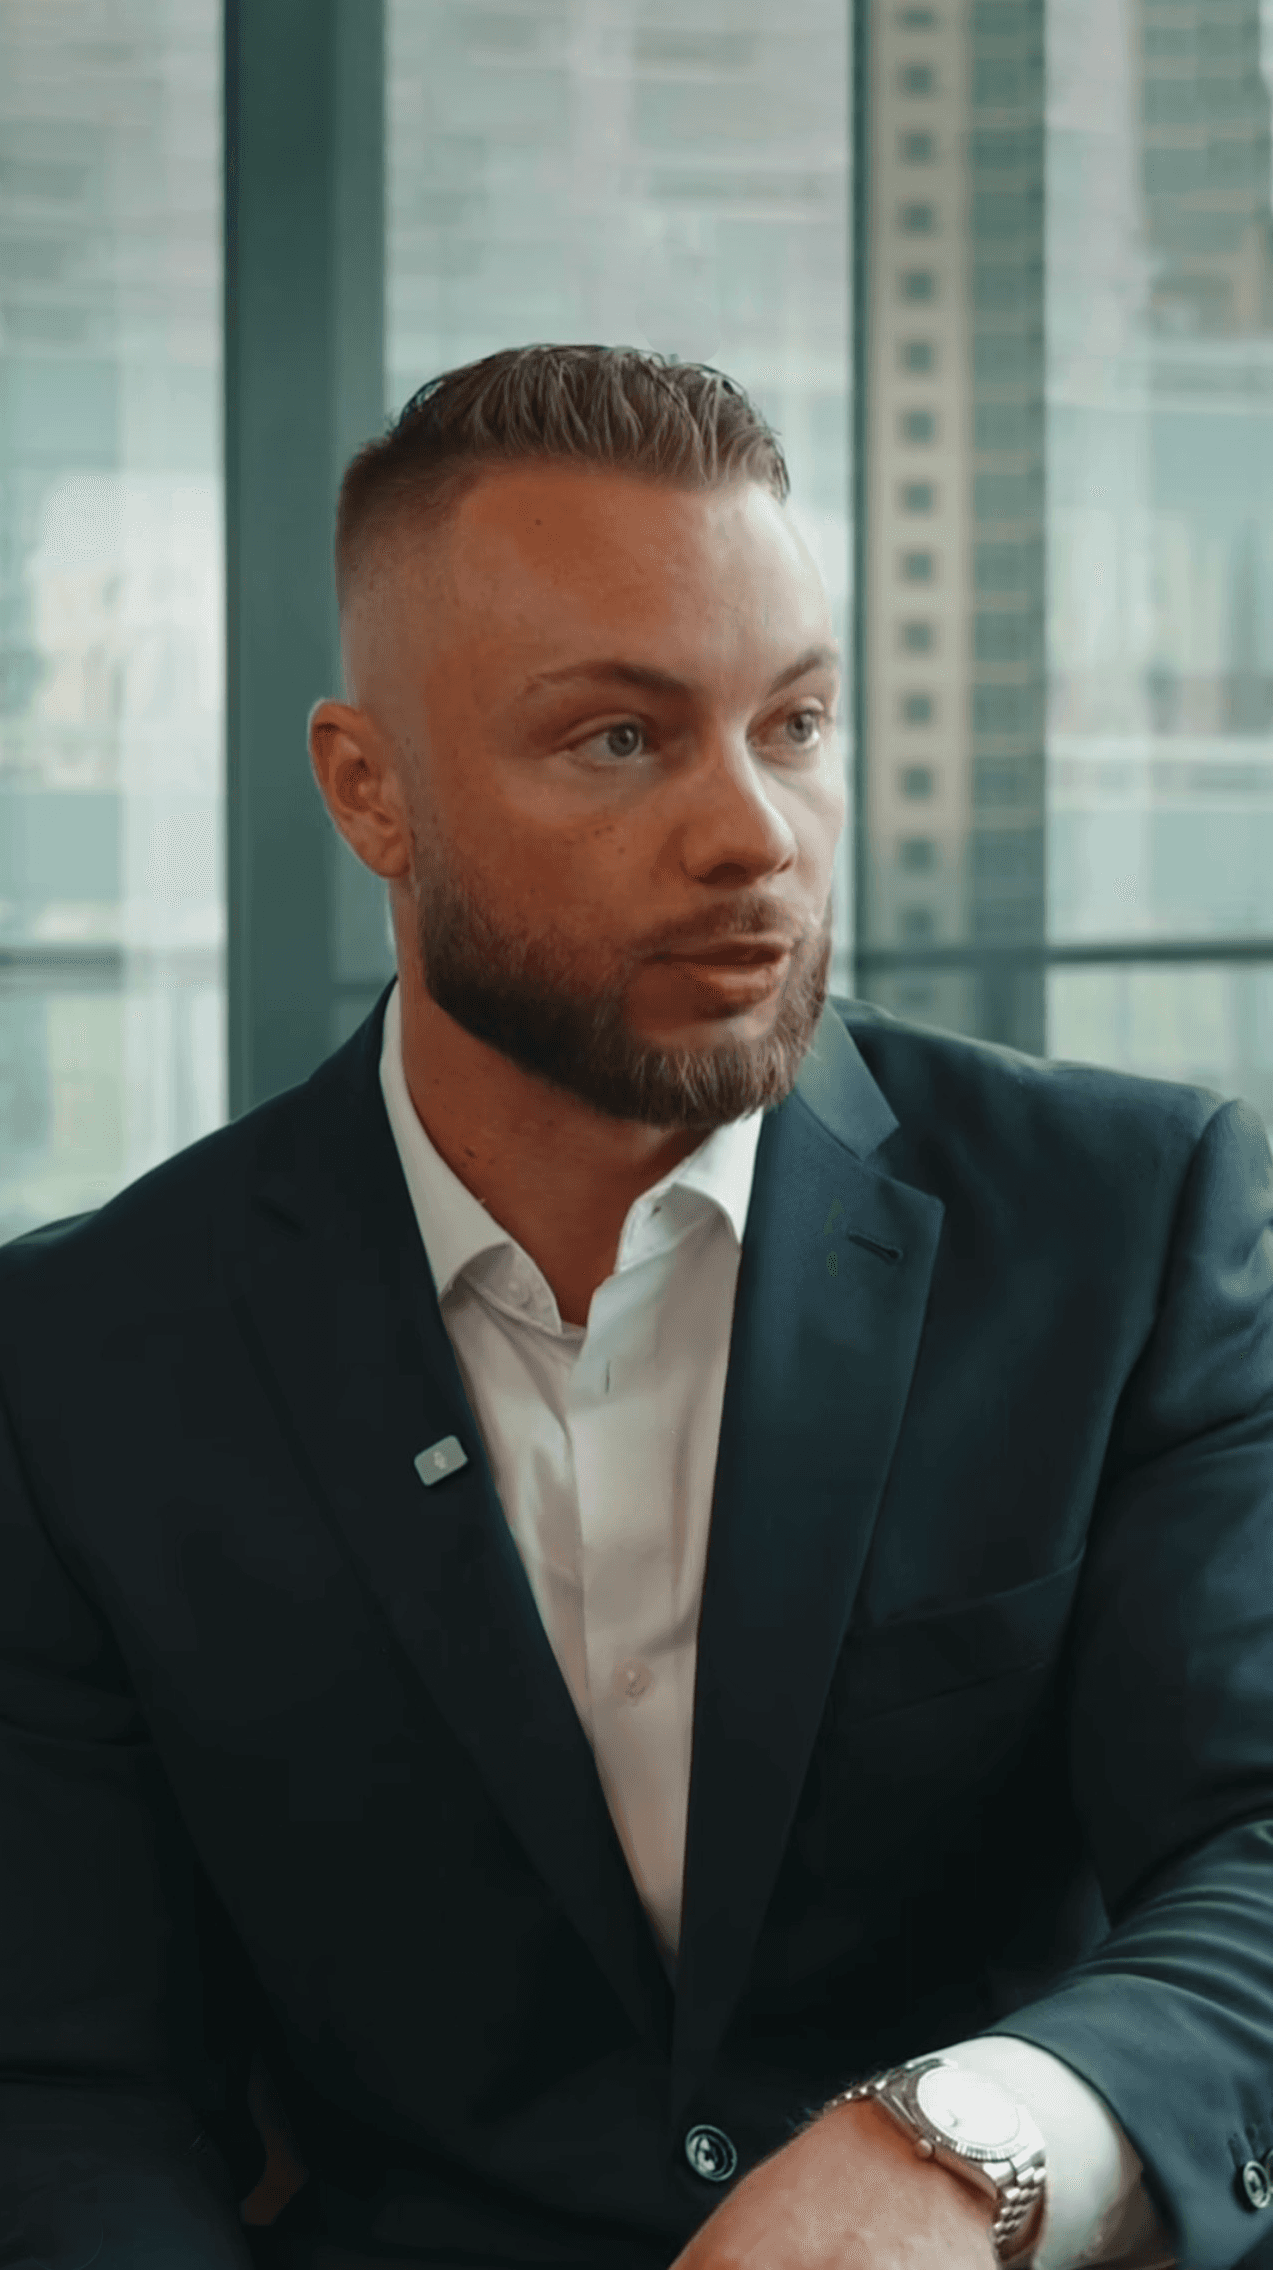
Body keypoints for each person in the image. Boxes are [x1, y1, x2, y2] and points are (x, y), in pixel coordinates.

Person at [1, 343, 1272, 2270]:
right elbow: (67, 2085)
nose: (756, 832)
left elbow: (1255, 1849)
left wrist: (963, 2149)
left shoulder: (1127, 1224)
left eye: (798, 722)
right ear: (370, 792)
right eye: (620, 737)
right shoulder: (89, 1360)